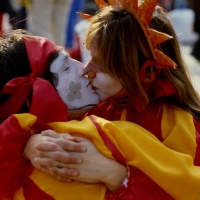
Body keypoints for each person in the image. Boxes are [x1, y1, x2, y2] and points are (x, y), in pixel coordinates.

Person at [23, 0, 200, 199]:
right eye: (89, 57)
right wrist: (31, 144)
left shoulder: (177, 126)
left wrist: (117, 177)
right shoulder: (95, 106)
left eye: (101, 64)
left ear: (147, 72)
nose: (86, 70)